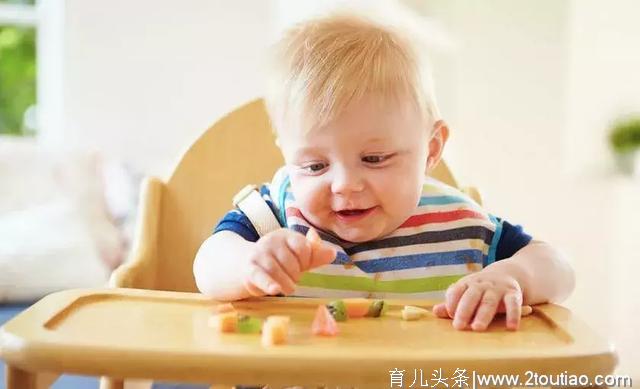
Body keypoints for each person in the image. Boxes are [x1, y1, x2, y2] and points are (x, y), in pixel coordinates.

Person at [193, 12, 574, 332]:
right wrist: (249, 264)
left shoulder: (461, 229)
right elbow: (207, 265)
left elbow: (558, 268)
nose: (344, 185)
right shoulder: (272, 218)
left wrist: (514, 277)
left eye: (374, 159)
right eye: (315, 166)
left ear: (432, 149)